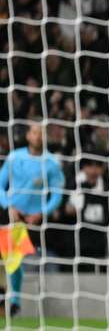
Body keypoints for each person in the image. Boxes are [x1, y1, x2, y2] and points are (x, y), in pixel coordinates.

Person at [0, 121, 65, 316]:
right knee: (13, 259)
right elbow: (0, 184)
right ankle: (14, 301)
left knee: (16, 259)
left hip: (35, 220)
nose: (38, 136)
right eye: (35, 132)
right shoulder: (14, 157)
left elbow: (57, 194)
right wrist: (9, 206)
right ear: (28, 135)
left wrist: (42, 212)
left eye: (42, 132)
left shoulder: (52, 163)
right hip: (13, 216)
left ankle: (14, 299)